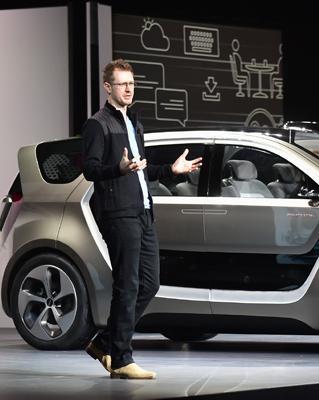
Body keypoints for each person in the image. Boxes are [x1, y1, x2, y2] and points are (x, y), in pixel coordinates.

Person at [81, 59, 201, 379]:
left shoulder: (134, 121)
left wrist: (169, 172)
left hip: (143, 211)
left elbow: (140, 169)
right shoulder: (98, 124)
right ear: (108, 88)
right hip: (118, 214)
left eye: (132, 83)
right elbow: (90, 169)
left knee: (150, 283)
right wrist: (116, 170)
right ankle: (121, 358)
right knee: (128, 285)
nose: (129, 89)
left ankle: (105, 343)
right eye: (122, 84)